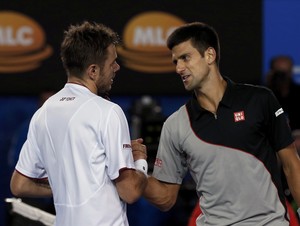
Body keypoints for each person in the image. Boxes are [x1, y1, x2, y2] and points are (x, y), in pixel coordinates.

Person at [142, 22, 300, 225]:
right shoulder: (175, 125)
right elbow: (165, 198)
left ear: (209, 55)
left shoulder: (260, 100)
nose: (179, 68)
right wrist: (138, 176)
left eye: (185, 58)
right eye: (175, 62)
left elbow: (291, 164)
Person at [10, 21, 148, 226]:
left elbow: (19, 184)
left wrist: (67, 185)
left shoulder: (43, 113)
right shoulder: (109, 112)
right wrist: (140, 162)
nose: (117, 68)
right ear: (93, 71)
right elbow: (130, 192)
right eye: (112, 63)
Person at [266, 55, 300, 130]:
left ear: (291, 72)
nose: (282, 77)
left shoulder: (298, 93)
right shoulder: (263, 94)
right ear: (272, 72)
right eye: (279, 73)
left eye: (285, 73)